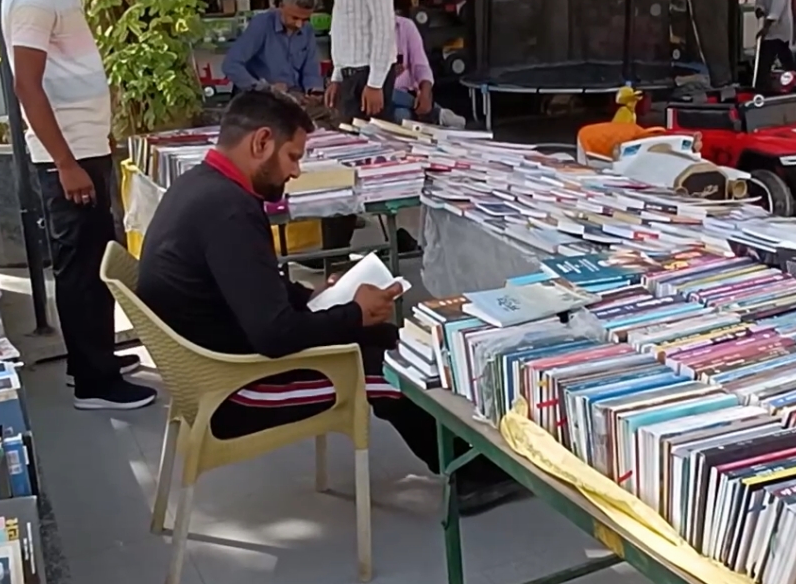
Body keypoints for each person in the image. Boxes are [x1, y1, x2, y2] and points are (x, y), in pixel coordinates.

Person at [134, 90, 526, 515]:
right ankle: (467, 476)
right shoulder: (229, 210)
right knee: (395, 369)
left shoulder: (199, 185)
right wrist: (352, 311)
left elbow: (250, 287)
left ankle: (465, 460)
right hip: (236, 391)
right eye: (293, 157)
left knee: (381, 338)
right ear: (261, 142)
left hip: (212, 366)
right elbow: (275, 335)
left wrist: (320, 297)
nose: (296, 172)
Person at [3, 0, 154, 410]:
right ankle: (94, 383)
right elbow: (28, 83)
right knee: (80, 269)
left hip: (85, 147)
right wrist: (66, 161)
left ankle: (94, 359)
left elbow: (69, 72)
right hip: (64, 158)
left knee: (95, 262)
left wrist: (98, 138)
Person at [220, 0, 324, 98]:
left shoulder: (307, 30)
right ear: (281, 7)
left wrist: (314, 92)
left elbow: (311, 70)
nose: (299, 25)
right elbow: (230, 65)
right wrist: (264, 88)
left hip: (293, 97)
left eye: (305, 19)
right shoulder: (261, 24)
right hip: (259, 98)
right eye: (295, 18)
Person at [754, 0, 795, 85]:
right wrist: (759, 9)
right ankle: (763, 84)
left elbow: (778, 4)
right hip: (768, 26)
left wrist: (766, 27)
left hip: (780, 25)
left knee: (774, 54)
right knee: (778, 57)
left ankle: (763, 84)